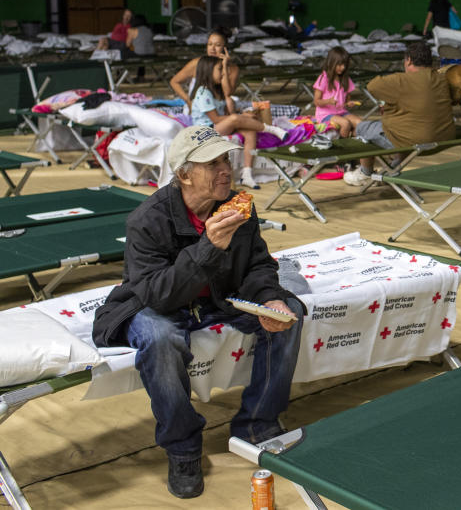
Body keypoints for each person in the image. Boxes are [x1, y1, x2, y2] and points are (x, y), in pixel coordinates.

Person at [91, 125, 305, 499]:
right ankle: (183, 449)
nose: (226, 169)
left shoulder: (238, 206)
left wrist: (270, 297)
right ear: (184, 174)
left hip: (217, 300)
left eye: (227, 159)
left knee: (290, 312)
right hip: (156, 303)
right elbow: (157, 295)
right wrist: (209, 246)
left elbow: (257, 265)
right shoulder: (147, 220)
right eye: (213, 163)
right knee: (159, 338)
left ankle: (257, 425)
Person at [342, 41, 456, 186]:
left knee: (362, 128)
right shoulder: (441, 78)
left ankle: (365, 173)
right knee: (406, 129)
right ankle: (392, 167)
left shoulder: (401, 80)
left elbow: (372, 86)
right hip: (444, 138)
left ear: (408, 60)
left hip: (417, 140)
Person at [189, 55, 275, 189]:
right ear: (208, 71)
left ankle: (247, 174)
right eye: (220, 70)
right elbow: (216, 119)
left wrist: (242, 116)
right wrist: (240, 117)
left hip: (219, 125)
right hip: (206, 130)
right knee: (236, 118)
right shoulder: (203, 93)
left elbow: (226, 113)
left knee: (250, 132)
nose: (223, 73)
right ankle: (271, 129)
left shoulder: (216, 91)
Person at [170, 28, 239, 111]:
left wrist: (224, 66)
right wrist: (188, 101)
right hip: (197, 109)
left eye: (217, 45)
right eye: (210, 44)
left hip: (219, 108)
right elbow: (174, 82)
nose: (212, 49)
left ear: (225, 48)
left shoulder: (232, 68)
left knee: (230, 102)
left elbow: (227, 93)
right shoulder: (197, 63)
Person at [313, 46, 362, 137]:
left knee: (360, 124)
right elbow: (316, 101)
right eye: (339, 65)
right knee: (345, 124)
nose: (342, 68)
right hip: (325, 114)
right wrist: (328, 101)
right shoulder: (323, 78)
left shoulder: (346, 79)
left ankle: (353, 145)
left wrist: (349, 102)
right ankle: (343, 147)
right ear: (331, 63)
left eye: (344, 65)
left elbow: (347, 98)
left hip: (341, 112)